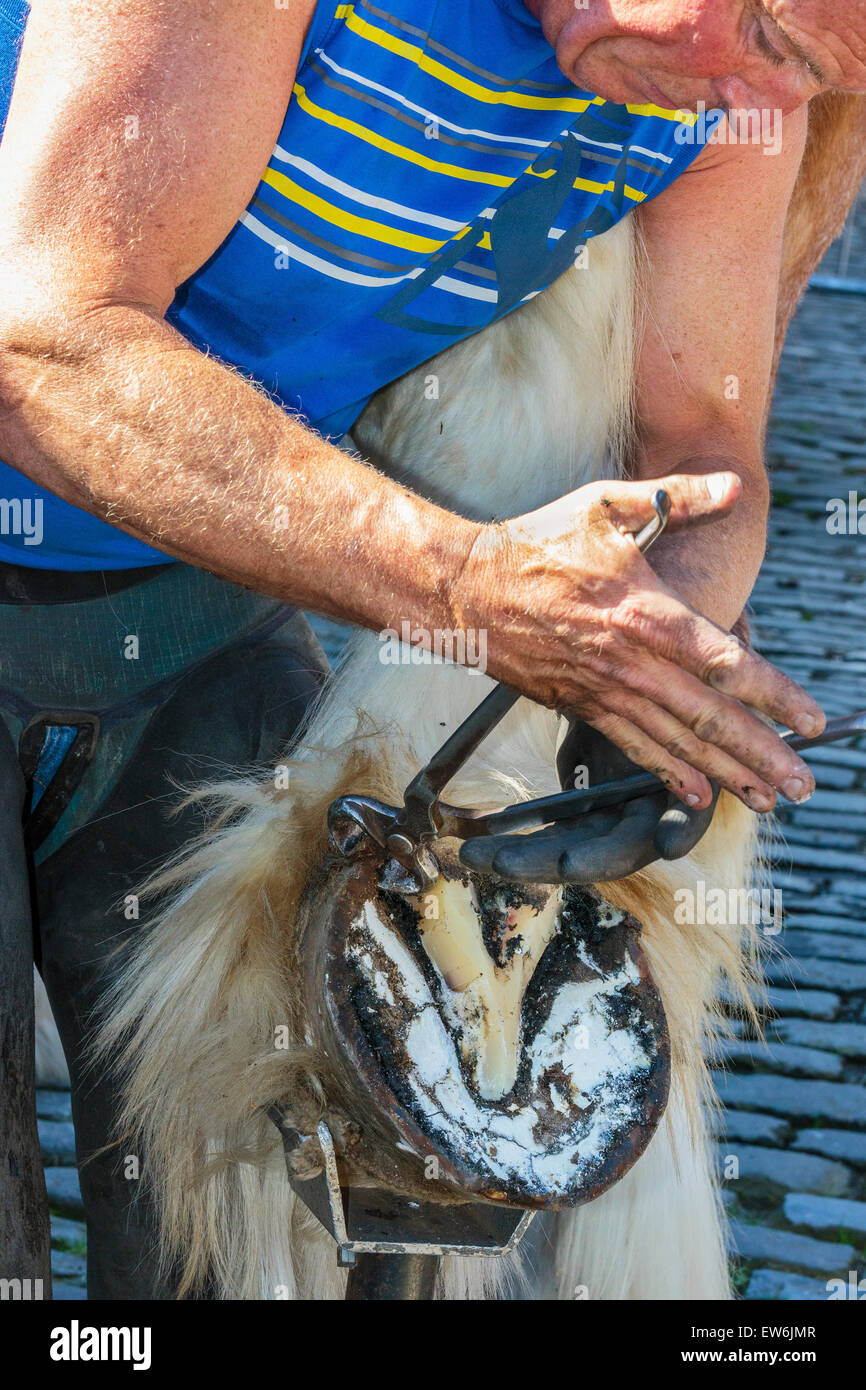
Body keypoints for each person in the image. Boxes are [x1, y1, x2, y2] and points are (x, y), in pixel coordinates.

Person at [0, 0, 857, 1296]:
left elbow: (701, 450)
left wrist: (651, 648)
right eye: (750, 20)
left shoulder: (725, 102)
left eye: (795, 69)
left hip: (190, 609)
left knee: (266, 1240)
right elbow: (47, 347)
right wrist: (466, 583)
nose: (735, 82)